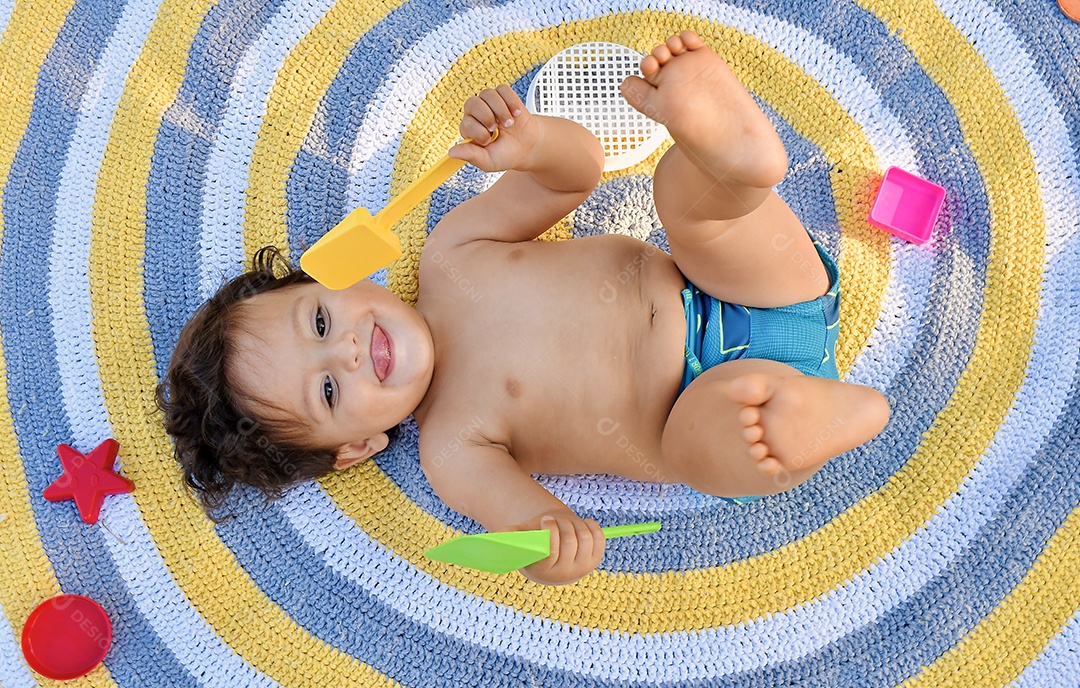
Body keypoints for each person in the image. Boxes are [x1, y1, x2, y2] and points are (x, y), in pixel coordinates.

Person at [158, 31, 891, 585]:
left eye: (319, 321)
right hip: (704, 408)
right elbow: (526, 525)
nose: (346, 350)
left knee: (690, 202)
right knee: (701, 445)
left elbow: (576, 176)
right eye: (328, 390)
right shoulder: (453, 449)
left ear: (346, 275)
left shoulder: (453, 250)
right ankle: (801, 422)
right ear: (355, 448)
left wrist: (532, 142)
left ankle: (738, 166)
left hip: (750, 286)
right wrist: (553, 546)